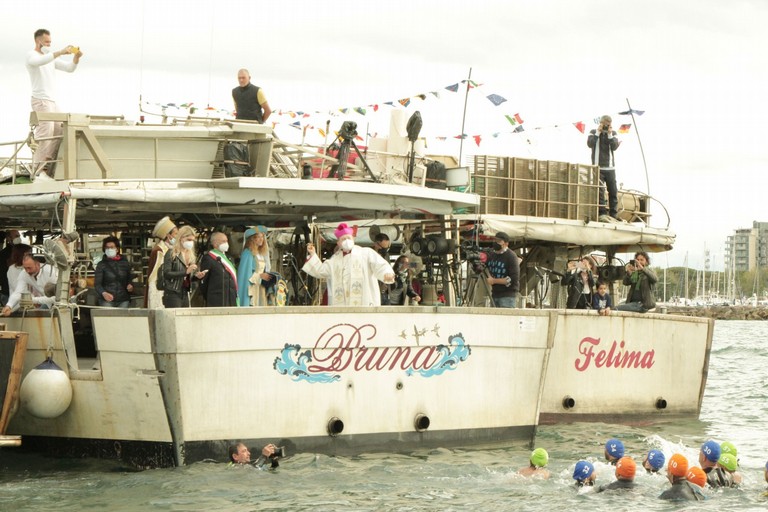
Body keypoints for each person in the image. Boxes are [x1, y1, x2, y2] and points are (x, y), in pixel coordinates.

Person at [26, 29, 83, 180]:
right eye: (46, 42)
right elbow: (39, 61)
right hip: (41, 100)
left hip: (52, 101)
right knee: (45, 133)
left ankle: (46, 169)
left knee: (58, 130)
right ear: (38, 42)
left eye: (50, 42)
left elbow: (69, 68)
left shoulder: (50, 58)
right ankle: (38, 172)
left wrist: (76, 58)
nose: (49, 45)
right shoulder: (31, 55)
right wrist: (60, 52)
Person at [302, 223, 394, 306]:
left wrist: (386, 273)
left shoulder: (366, 253)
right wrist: (313, 254)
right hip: (343, 305)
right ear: (338, 243)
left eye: (348, 238)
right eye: (343, 239)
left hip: (364, 303)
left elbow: (380, 265)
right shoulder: (334, 260)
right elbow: (321, 271)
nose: (346, 241)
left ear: (353, 239)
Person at [587, 115, 621, 222]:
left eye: (608, 125)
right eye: (604, 124)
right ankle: (601, 213)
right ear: (600, 123)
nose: (606, 127)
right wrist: (598, 132)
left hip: (610, 168)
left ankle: (613, 215)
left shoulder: (613, 133)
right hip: (598, 167)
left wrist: (610, 134)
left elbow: (615, 147)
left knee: (613, 191)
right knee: (599, 191)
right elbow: (590, 144)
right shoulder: (593, 132)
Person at [162, 226, 206, 308]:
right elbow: (166, 273)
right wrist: (185, 272)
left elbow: (189, 277)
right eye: (189, 240)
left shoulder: (191, 254)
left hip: (185, 292)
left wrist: (197, 276)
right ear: (181, 238)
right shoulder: (171, 253)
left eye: (193, 240)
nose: (191, 242)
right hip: (173, 292)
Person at [144, 216, 177, 308]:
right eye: (175, 234)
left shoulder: (172, 249)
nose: (177, 236)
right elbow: (155, 275)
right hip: (160, 290)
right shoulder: (159, 251)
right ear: (168, 235)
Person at [200, 232, 238, 307]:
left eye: (227, 241)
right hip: (216, 300)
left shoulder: (230, 258)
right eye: (223, 241)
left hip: (231, 298)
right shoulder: (208, 258)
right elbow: (204, 282)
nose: (226, 243)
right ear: (214, 244)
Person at [94, 236, 134, 308]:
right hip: (107, 301)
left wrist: (130, 285)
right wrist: (104, 293)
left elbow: (129, 279)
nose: (109, 249)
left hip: (123, 300)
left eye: (112, 247)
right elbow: (97, 284)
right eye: (107, 247)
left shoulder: (125, 263)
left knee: (123, 319)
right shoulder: (101, 265)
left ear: (117, 249)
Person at [237, 227, 271, 307]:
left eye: (262, 237)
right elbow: (245, 275)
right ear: (252, 239)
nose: (261, 239)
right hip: (251, 288)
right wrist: (260, 276)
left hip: (260, 287)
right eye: (258, 237)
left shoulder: (261, 254)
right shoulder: (247, 253)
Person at [485, 232, 520, 308]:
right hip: (494, 295)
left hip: (507, 296)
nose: (496, 243)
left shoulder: (511, 256)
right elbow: (484, 266)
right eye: (495, 240)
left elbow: (513, 278)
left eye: (499, 241)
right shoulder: (492, 255)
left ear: (506, 244)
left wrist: (494, 281)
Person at [0, 230, 21, 304]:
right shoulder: (3, 254)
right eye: (16, 236)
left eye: (19, 236)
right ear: (8, 238)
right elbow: (2, 274)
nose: (18, 238)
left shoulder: (22, 252)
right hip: (7, 292)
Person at [373, 232, 392, 305]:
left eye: (387, 247)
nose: (385, 250)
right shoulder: (370, 256)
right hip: (375, 292)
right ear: (376, 244)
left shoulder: (386, 255)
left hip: (386, 293)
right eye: (383, 248)